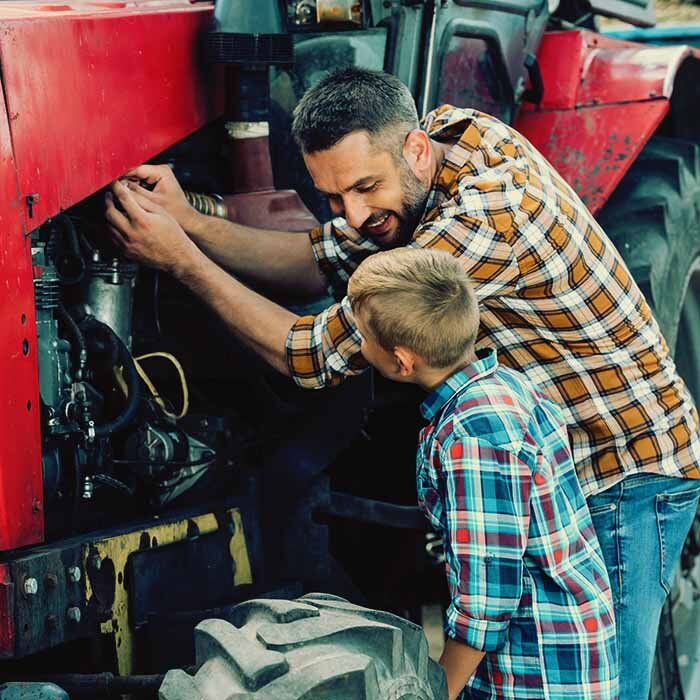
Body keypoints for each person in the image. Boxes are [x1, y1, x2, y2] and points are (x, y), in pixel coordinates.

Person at [105, 66, 700, 699]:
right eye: (335, 198)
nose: (355, 215)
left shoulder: (482, 224)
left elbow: (309, 354)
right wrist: (188, 220)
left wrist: (181, 260)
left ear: (413, 149)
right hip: (549, 461)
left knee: (606, 684)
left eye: (365, 188)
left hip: (621, 469)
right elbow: (320, 258)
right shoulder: (446, 140)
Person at [346, 247, 618, 699]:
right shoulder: (503, 386)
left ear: (403, 361)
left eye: (362, 337)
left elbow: (488, 598)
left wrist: (443, 689)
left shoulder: (473, 434)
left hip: (541, 672)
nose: (358, 347)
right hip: (559, 648)